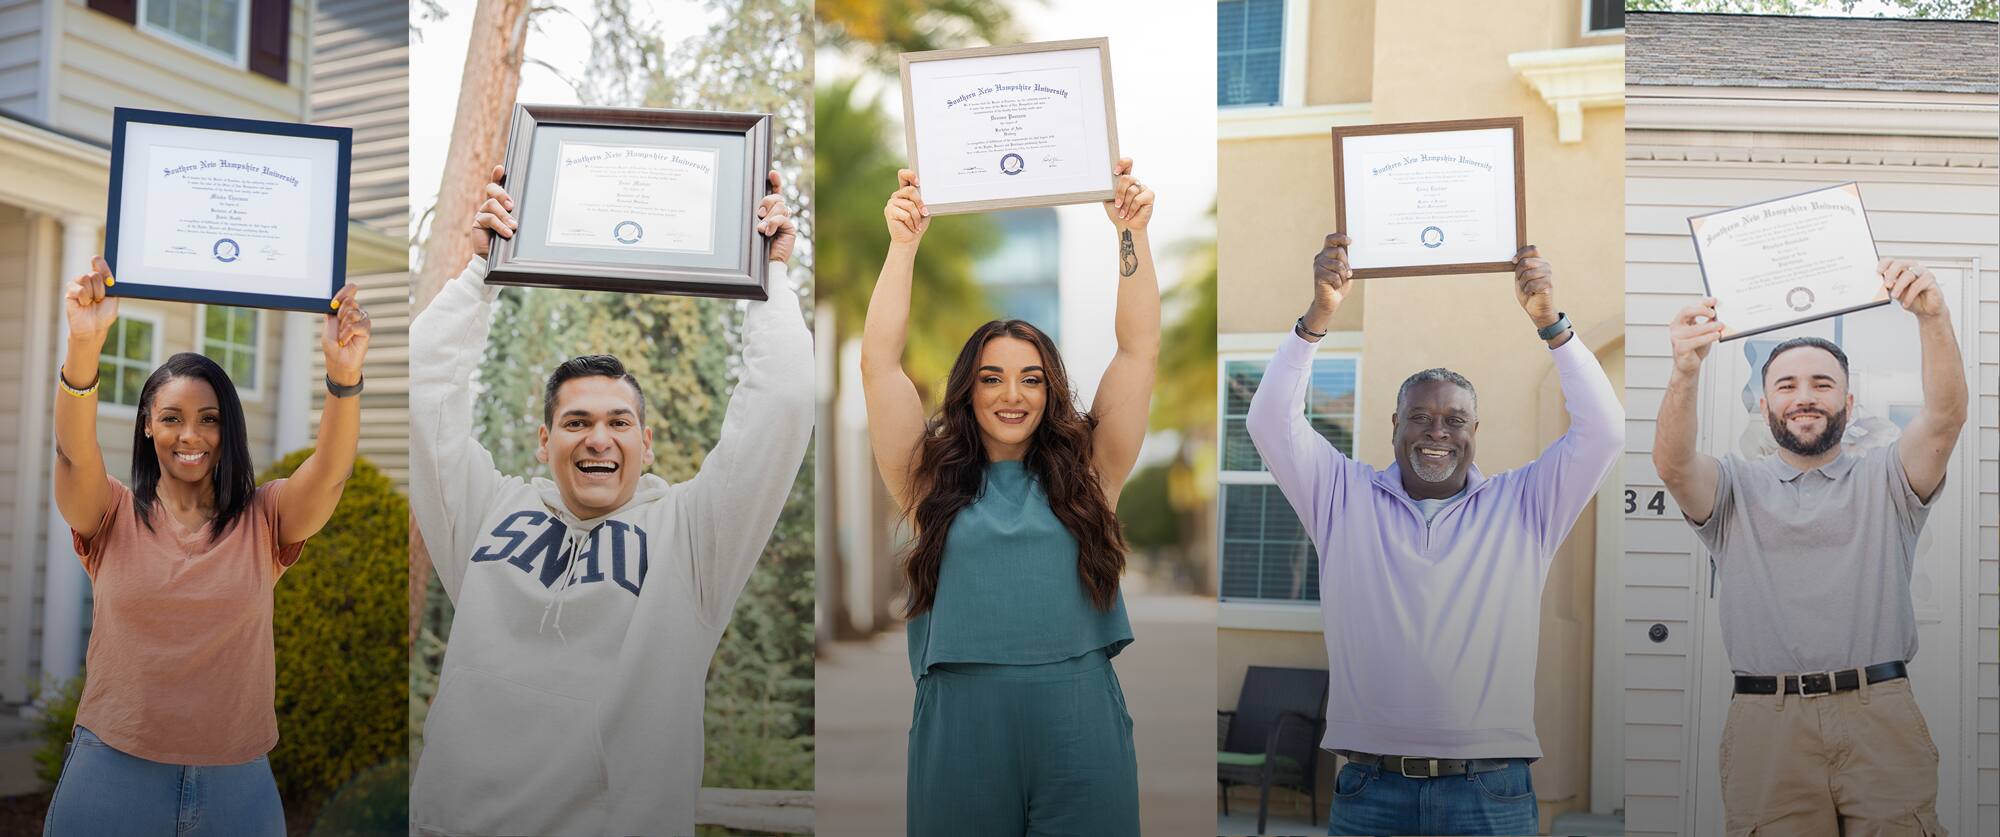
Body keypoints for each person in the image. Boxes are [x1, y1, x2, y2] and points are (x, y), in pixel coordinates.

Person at [407, 166, 814, 837]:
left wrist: (767, 272)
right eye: (576, 422)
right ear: (544, 440)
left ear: (647, 443)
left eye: (619, 422)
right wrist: (483, 267)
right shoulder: (485, 510)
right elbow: (425, 387)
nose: (598, 438)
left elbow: (784, 399)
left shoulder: (693, 536)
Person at [1246, 234, 1622, 836]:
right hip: (1370, 790)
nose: (1436, 432)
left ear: (1477, 428)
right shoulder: (1341, 496)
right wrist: (1318, 317)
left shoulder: (1525, 504)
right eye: (1419, 416)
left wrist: (1550, 322)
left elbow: (1602, 430)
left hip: (1489, 790)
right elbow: (1269, 420)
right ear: (1395, 425)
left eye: (1454, 419)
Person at [865, 161, 1157, 837]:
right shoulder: (927, 482)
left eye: (1031, 378)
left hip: (1079, 720)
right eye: (992, 377)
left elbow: (1138, 351)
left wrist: (1130, 236)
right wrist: (903, 244)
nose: (1012, 394)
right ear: (968, 389)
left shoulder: (1092, 474)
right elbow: (879, 365)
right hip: (960, 723)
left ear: (1051, 389)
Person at [44, 260, 372, 836]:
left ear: (229, 429)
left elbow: (330, 475)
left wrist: (344, 377)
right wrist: (84, 342)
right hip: (112, 774)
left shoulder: (264, 519)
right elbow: (73, 455)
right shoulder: (111, 512)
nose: (190, 435)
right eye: (171, 418)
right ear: (148, 426)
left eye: (209, 419)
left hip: (237, 787)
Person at [1654, 260, 1963, 837]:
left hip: (1881, 714)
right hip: (1766, 722)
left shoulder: (1888, 480)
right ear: (1765, 404)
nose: (1805, 397)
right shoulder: (1732, 488)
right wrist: (1685, 371)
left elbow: (1944, 420)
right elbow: (1672, 465)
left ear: (1848, 402)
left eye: (1823, 385)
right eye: (1787, 385)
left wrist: (1933, 318)